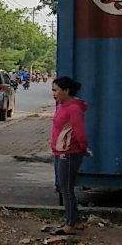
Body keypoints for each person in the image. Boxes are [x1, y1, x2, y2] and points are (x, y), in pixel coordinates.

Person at [50, 75, 89, 235]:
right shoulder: (61, 106)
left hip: (70, 153)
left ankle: (70, 223)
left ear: (66, 90)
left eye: (56, 90)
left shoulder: (73, 108)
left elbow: (79, 132)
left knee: (66, 189)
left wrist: (82, 148)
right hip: (60, 151)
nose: (53, 94)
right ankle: (76, 220)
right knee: (64, 187)